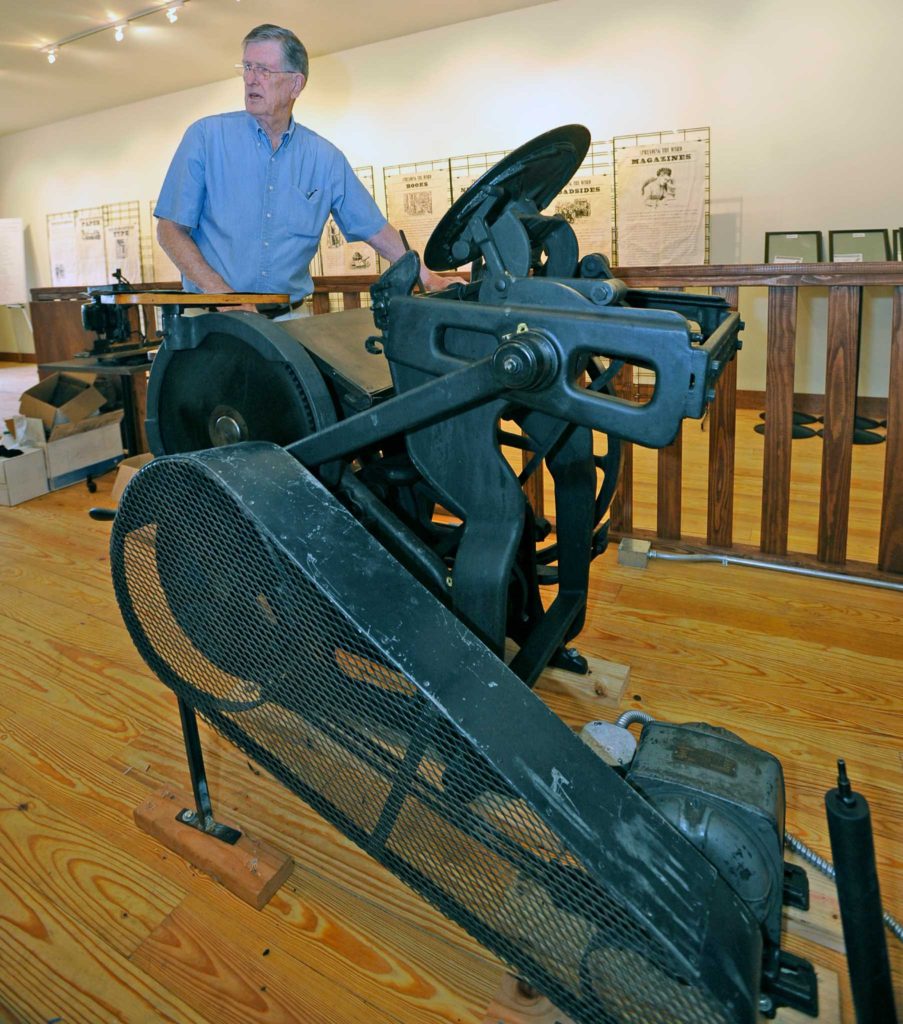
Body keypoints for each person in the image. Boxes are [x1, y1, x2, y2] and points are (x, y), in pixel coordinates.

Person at [155, 23, 453, 314]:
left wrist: (427, 278)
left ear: (295, 84)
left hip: (289, 322)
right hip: (212, 318)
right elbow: (169, 230)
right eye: (247, 67)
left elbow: (374, 228)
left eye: (264, 70)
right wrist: (225, 297)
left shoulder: (325, 158)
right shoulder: (206, 138)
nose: (250, 79)